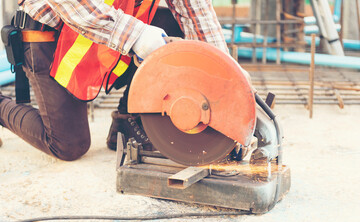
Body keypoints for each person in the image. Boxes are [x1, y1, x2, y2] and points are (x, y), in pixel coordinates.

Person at [0, 0, 247, 160]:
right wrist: (137, 35)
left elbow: (196, 12)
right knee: (68, 145)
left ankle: (128, 120)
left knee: (177, 29)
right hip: (52, 37)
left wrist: (226, 80)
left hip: (112, 33)